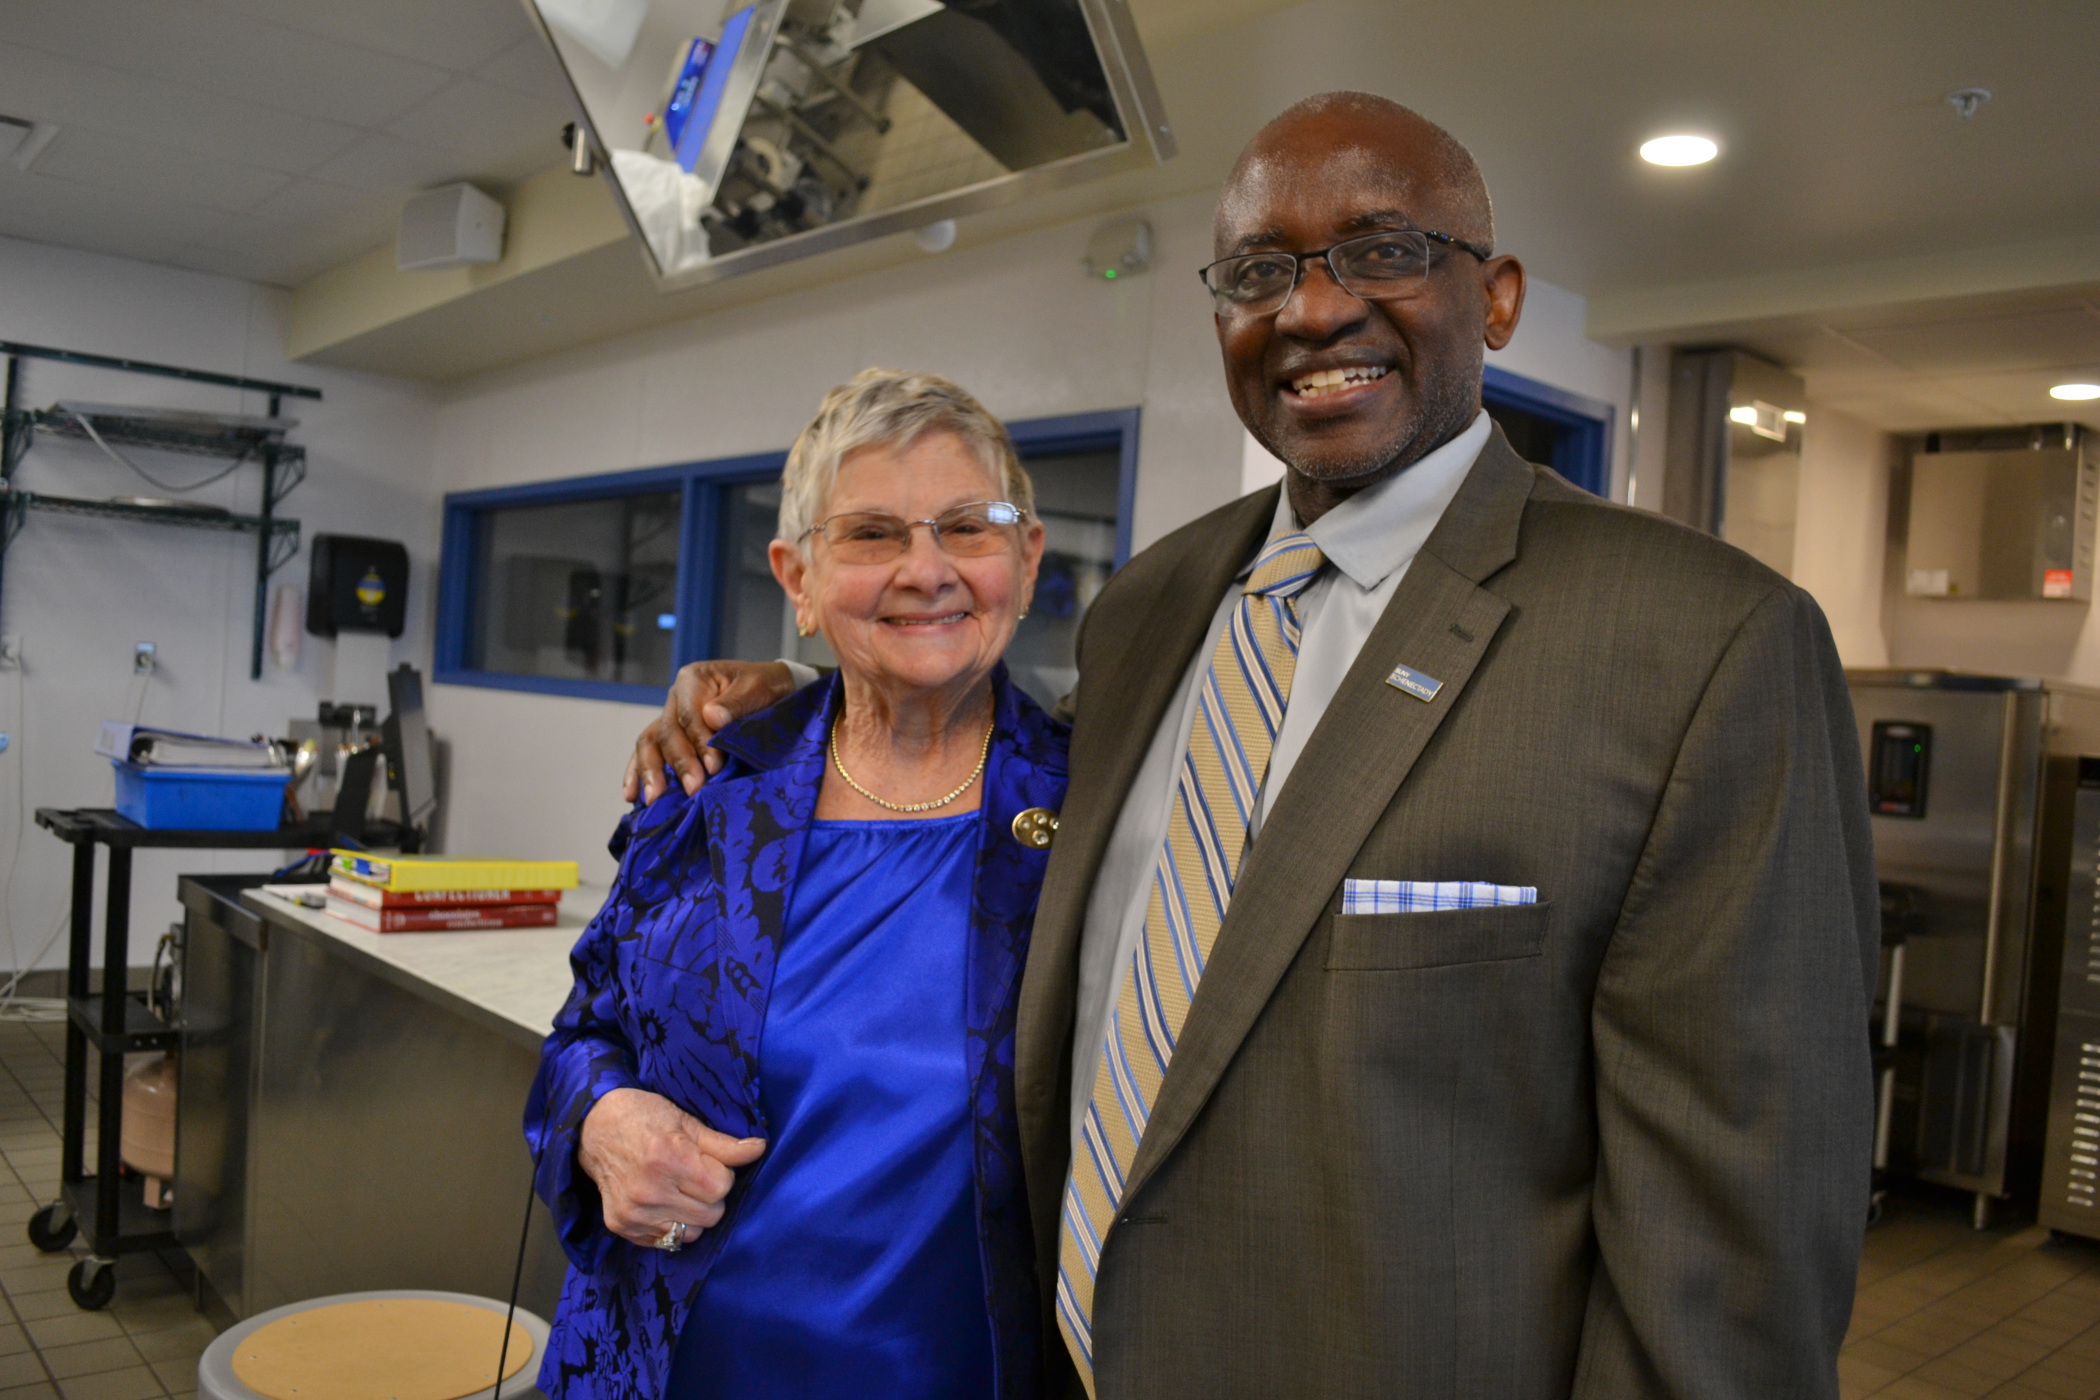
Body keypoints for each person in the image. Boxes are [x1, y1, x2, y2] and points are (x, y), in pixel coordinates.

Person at [629, 94, 1878, 1399]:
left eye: (1384, 249)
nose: (1316, 309)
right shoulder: (1149, 610)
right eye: (1261, 271)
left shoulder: (1703, 645)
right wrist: (792, 702)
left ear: (1496, 300)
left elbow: (1736, 1265)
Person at [528, 369, 1068, 1400]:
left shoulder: (1098, 808)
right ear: (799, 579)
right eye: (871, 533)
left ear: (1026, 557)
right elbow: (578, 1038)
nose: (927, 569)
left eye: (969, 526)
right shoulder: (706, 788)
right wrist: (600, 1122)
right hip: (668, 1364)